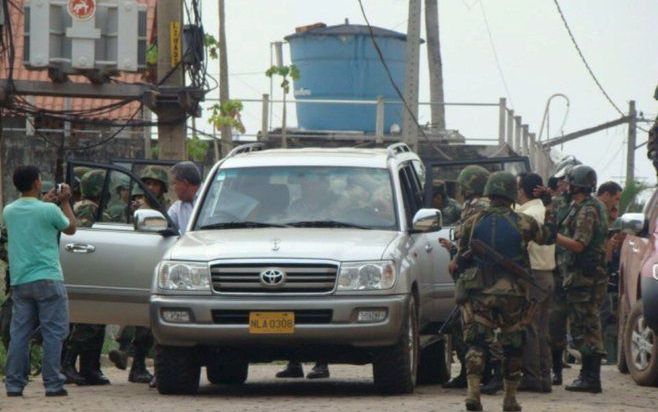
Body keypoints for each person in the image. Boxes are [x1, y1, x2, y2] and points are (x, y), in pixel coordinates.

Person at [454, 171, 556, 412]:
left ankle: (473, 393)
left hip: (479, 290)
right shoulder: (522, 221)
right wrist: (550, 207)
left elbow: (461, 257)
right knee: (513, 343)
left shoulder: (472, 221)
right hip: (513, 293)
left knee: (477, 342)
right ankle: (510, 399)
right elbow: (548, 237)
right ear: (511, 194)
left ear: (489, 192)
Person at [3, 165, 77, 397]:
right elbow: (72, 228)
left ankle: (14, 384)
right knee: (54, 332)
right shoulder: (49, 210)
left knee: (20, 334)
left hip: (20, 280)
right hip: (48, 278)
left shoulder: (9, 210)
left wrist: (44, 200)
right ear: (37, 183)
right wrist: (64, 201)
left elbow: (31, 213)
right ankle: (53, 383)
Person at [556, 165, 608, 393]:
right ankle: (587, 375)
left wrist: (553, 237)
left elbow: (579, 244)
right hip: (580, 277)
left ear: (577, 185)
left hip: (584, 278)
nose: (565, 187)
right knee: (582, 325)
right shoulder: (582, 206)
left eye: (568, 183)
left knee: (587, 326)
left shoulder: (588, 210)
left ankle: (591, 377)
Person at [440, 165, 490, 389]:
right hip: (471, 272)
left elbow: (473, 241)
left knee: (470, 326)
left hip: (474, 275)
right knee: (463, 326)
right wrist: (453, 249)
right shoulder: (475, 206)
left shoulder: (478, 206)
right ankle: (470, 373)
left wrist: (457, 258)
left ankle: (480, 374)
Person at [62, 170, 111, 386]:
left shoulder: (88, 208)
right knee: (88, 323)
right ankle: (68, 364)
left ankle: (90, 368)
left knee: (97, 321)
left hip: (92, 270)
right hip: (89, 270)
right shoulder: (88, 210)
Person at [515, 173, 556, 393]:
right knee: (541, 329)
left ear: (523, 190)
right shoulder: (544, 211)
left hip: (534, 276)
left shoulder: (527, 215)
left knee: (529, 327)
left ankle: (532, 377)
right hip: (547, 274)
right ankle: (544, 377)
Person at [596, 181, 623, 364]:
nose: (616, 204)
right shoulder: (597, 212)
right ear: (606, 194)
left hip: (601, 274)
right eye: (615, 198)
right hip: (596, 273)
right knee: (600, 314)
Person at [168, 161, 202, 234]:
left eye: (174, 183)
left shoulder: (213, 198)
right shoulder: (177, 208)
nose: (172, 188)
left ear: (185, 183)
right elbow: (165, 225)